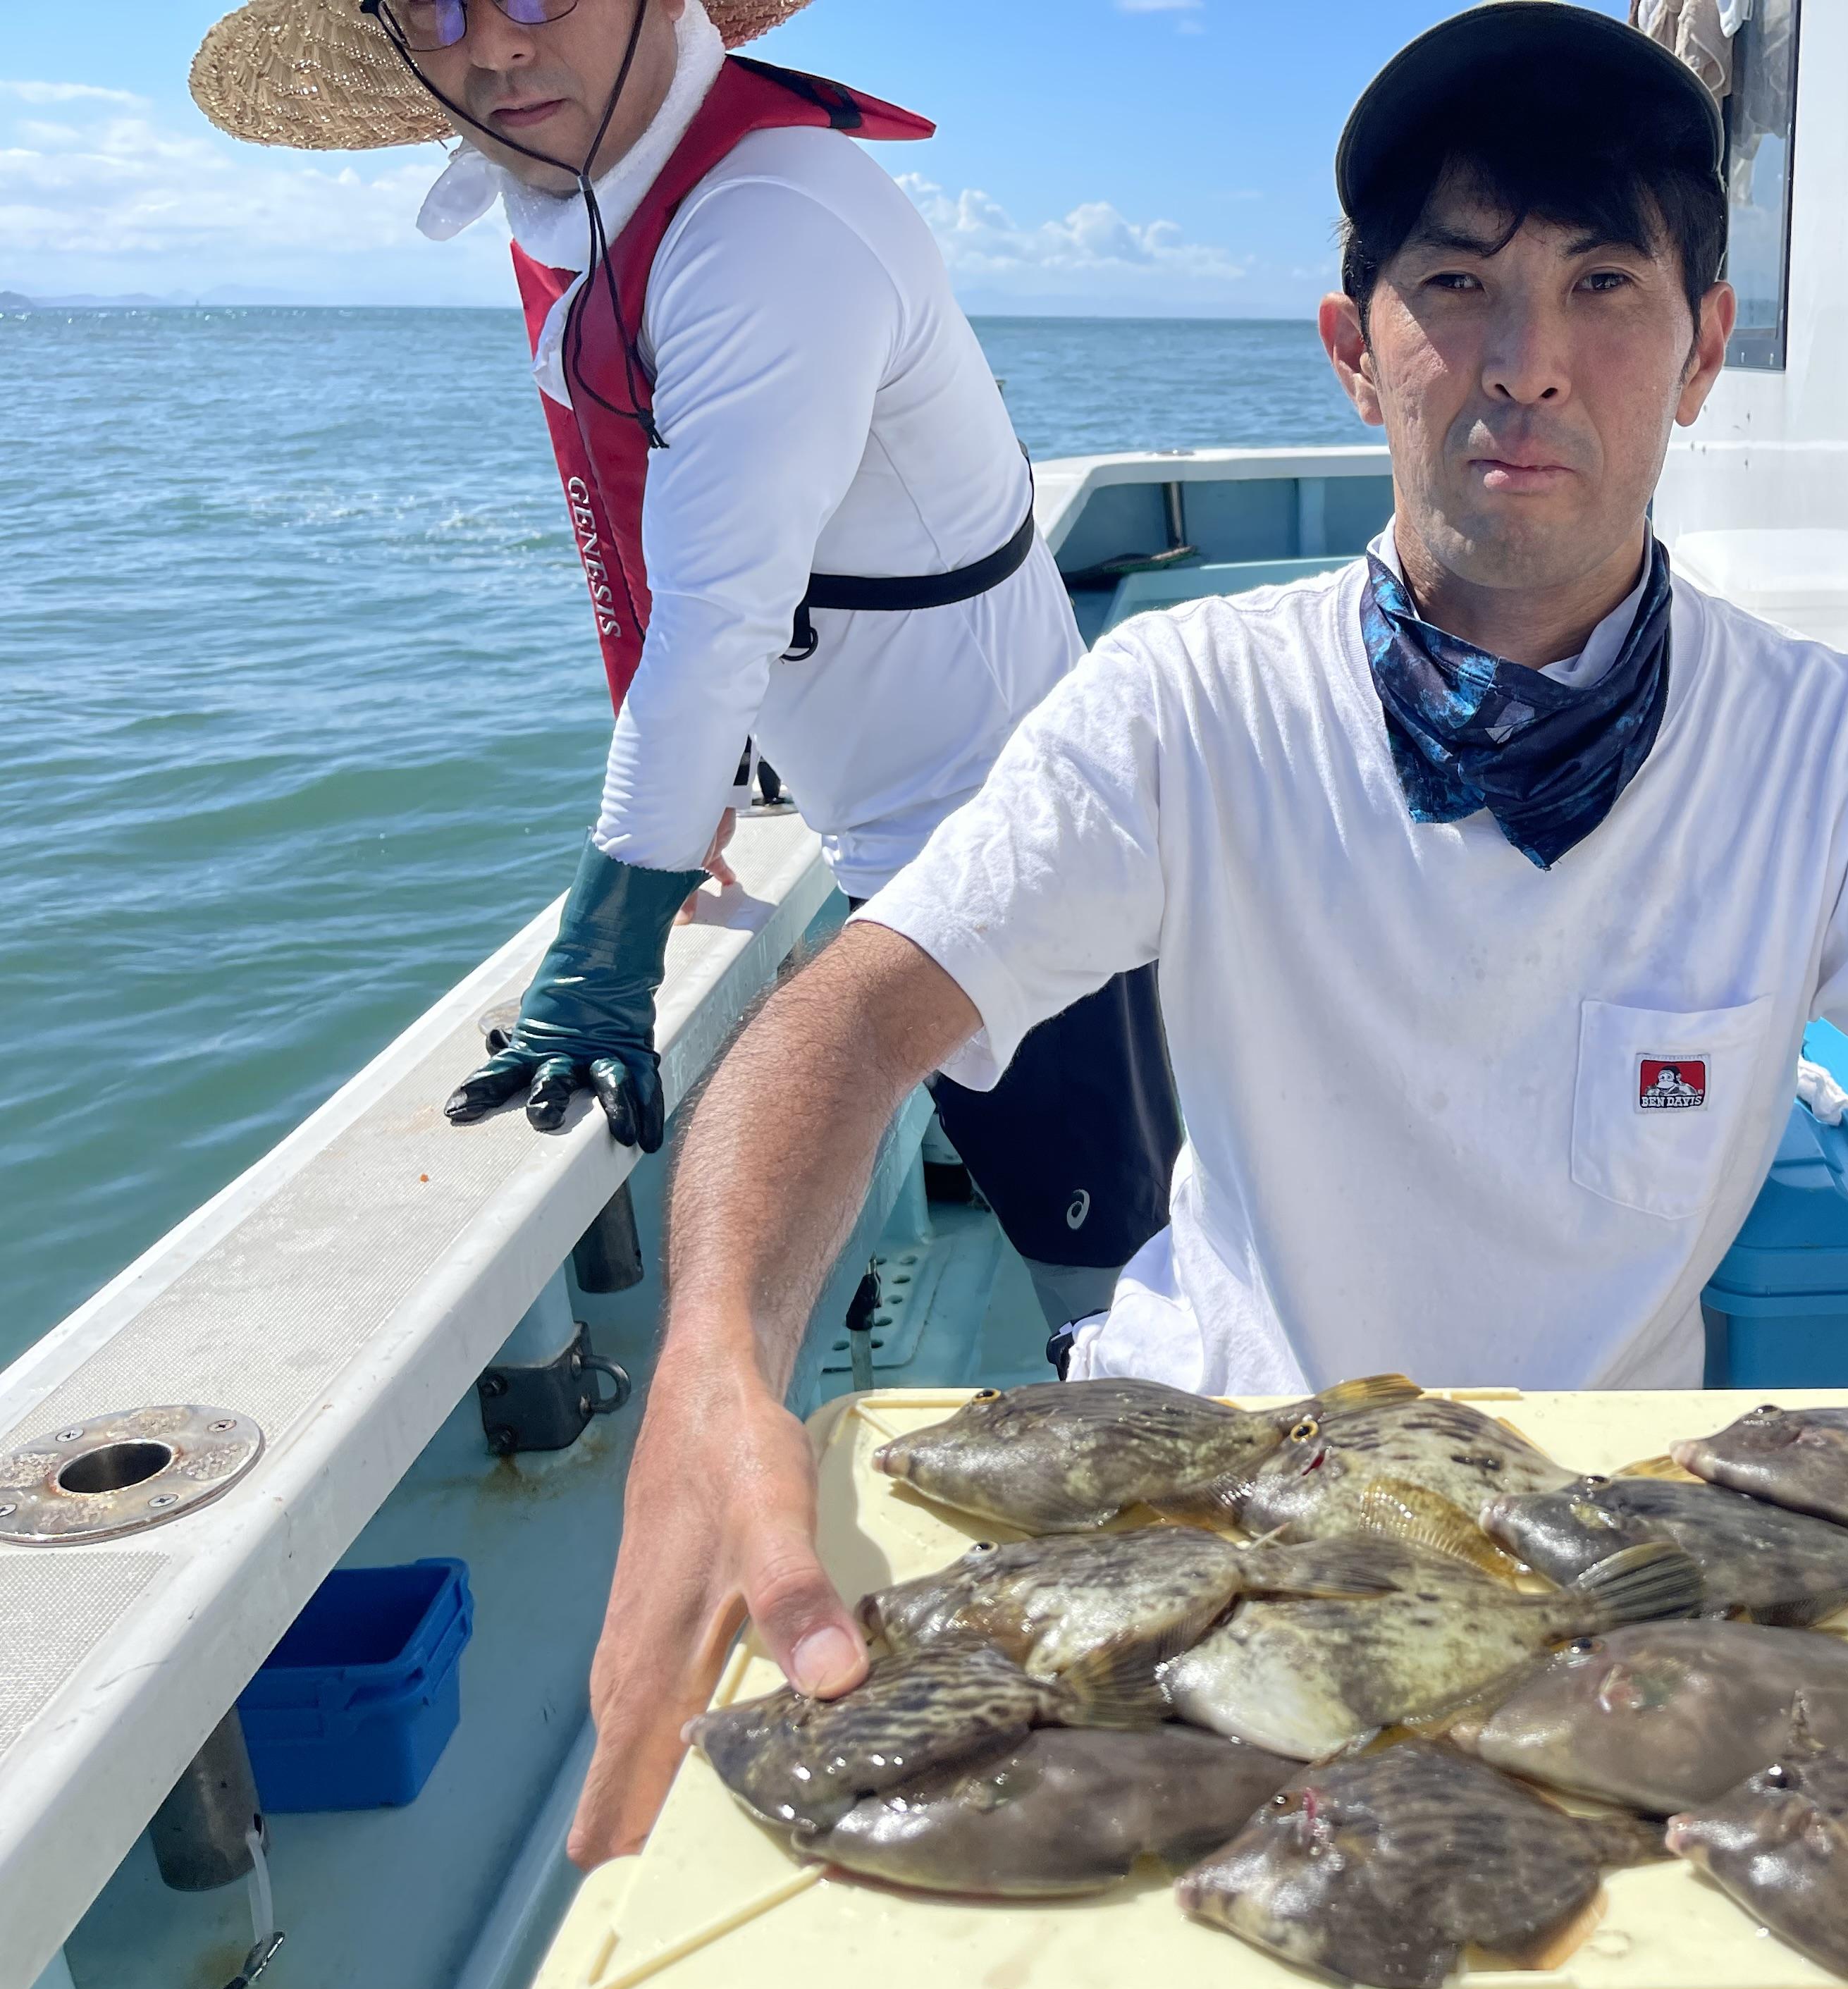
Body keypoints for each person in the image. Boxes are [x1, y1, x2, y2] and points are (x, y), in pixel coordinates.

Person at [565, 1, 1848, 1864]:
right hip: (1206, 1508)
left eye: (1606, 285)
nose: (1527, 362)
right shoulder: (1184, 705)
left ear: (1704, 350)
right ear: (1351, 352)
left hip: (1601, 1550)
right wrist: (713, 1373)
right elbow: (849, 1025)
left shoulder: (1837, 756)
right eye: (1457, 284)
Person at [187, 0, 1180, 1329]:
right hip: (865, 793)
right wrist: (703, 778)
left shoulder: (769, 223)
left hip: (997, 825)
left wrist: (604, 956)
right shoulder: (588, 184)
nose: (491, 47)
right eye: (436, 7)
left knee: (1108, 1260)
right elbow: (644, 520)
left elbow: (714, 608)